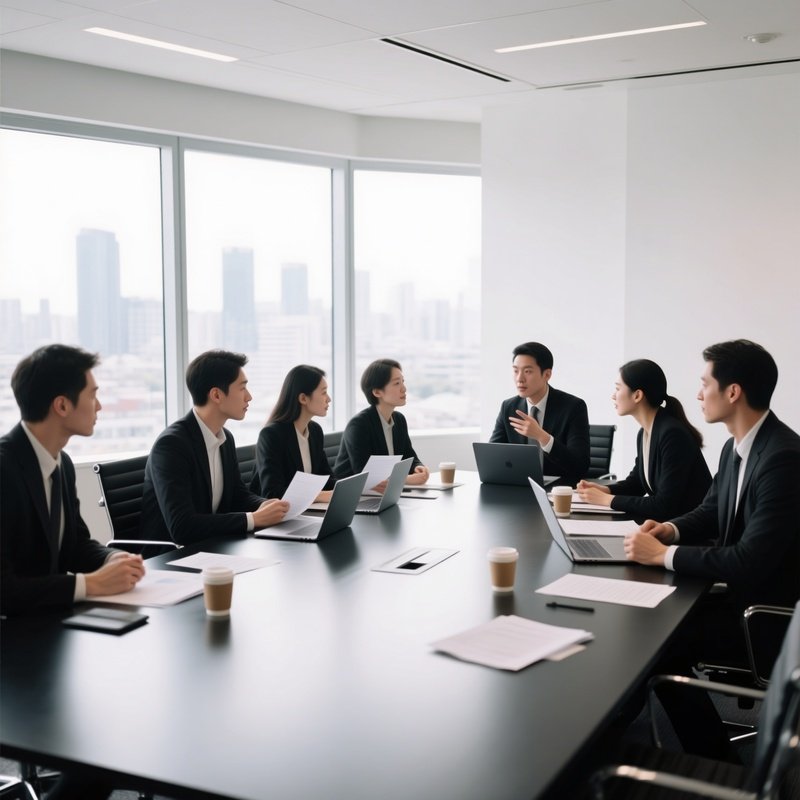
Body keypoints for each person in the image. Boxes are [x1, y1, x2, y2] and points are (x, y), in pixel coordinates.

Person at [624, 340, 800, 758]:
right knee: (645, 627)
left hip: (763, 620)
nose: (698, 394)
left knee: (658, 649)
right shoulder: (736, 446)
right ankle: (611, 738)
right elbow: (709, 509)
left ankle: (714, 761)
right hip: (737, 597)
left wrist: (659, 555)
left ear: (733, 392)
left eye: (705, 384)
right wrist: (669, 529)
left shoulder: (783, 457)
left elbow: (749, 559)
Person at [0, 344, 146, 618]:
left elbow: (75, 545)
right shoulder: (4, 469)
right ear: (62, 405)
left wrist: (112, 559)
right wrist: (90, 584)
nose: (99, 406)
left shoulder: (62, 464)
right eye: (93, 395)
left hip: (47, 624)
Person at [141, 350, 288, 546]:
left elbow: (237, 495)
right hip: (170, 556)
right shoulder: (171, 446)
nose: (249, 397)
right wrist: (254, 519)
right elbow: (182, 527)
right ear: (217, 395)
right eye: (242, 388)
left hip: (213, 545)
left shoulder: (225, 438)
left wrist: (264, 505)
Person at [576, 359, 711, 521]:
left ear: (637, 395)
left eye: (618, 389)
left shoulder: (672, 434)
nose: (613, 395)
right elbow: (637, 484)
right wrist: (606, 490)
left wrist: (607, 500)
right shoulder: (647, 431)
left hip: (689, 533)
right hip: (667, 525)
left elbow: (664, 505)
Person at [490, 341, 590, 486]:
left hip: (558, 491)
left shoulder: (573, 407)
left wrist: (541, 436)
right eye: (516, 371)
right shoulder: (509, 407)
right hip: (519, 488)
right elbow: (493, 456)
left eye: (528, 371)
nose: (520, 378)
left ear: (547, 374)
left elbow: (580, 466)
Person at [334, 358, 430, 486]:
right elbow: (365, 475)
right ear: (377, 392)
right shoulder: (359, 425)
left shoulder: (399, 420)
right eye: (397, 383)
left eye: (403, 382)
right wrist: (405, 479)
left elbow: (409, 456)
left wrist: (419, 468)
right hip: (355, 496)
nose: (404, 389)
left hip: (385, 493)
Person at [250, 364, 336, 502]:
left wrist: (354, 489)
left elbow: (326, 479)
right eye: (323, 392)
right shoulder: (271, 435)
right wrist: (319, 496)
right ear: (303, 398)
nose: (329, 399)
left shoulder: (315, 431)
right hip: (275, 517)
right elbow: (272, 493)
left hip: (304, 512)